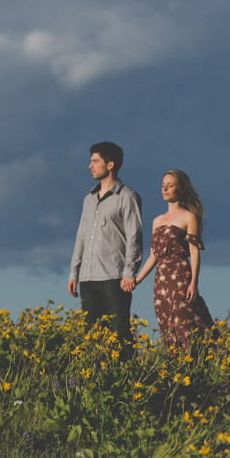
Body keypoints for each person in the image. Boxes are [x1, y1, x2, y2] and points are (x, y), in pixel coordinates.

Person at [68, 142, 142, 360]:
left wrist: (130, 271)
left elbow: (134, 236)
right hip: (88, 278)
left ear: (110, 165)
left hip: (115, 277)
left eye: (95, 161)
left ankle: (128, 380)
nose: (90, 166)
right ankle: (96, 384)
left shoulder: (127, 197)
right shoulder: (88, 199)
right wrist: (74, 272)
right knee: (91, 337)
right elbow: (80, 237)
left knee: (120, 334)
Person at [134, 169, 216, 353]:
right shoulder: (156, 221)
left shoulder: (189, 217)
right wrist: (137, 280)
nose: (165, 189)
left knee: (186, 323)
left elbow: (194, 252)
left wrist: (193, 282)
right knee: (167, 327)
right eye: (163, 186)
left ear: (182, 189)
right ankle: (177, 371)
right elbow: (154, 256)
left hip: (180, 276)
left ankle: (200, 365)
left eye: (170, 186)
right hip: (160, 281)